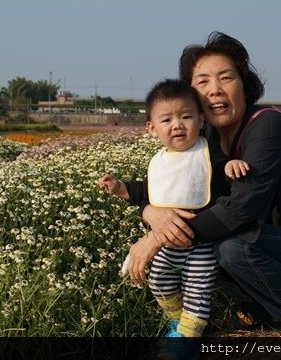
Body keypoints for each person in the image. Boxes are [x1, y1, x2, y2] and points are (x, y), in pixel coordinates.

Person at [123, 32, 281, 337]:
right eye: (202, 82)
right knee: (210, 246)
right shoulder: (204, 139)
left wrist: (158, 239)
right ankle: (263, 309)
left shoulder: (268, 127)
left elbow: (240, 210)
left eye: (226, 77)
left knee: (230, 246)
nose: (215, 90)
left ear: (244, 84)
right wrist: (149, 212)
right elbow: (173, 186)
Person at [98, 78, 249, 338]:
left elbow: (221, 171)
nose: (177, 125)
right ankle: (177, 320)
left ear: (201, 120)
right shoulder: (160, 163)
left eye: (186, 117)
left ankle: (189, 336)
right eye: (166, 120)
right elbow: (146, 190)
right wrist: (120, 188)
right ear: (152, 128)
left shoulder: (206, 152)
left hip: (202, 242)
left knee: (196, 288)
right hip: (169, 244)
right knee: (158, 279)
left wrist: (230, 167)